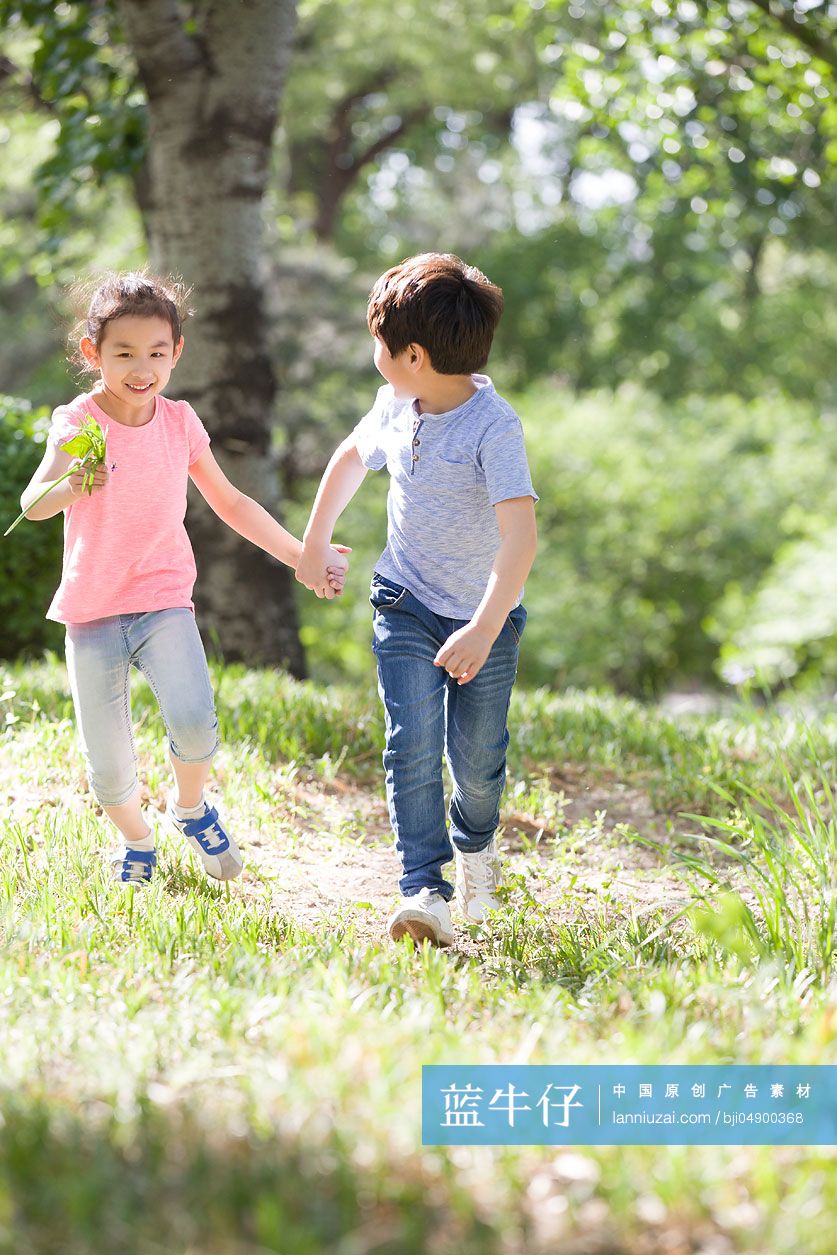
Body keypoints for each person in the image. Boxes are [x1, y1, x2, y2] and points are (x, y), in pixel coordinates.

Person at [17, 271, 349, 885]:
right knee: (110, 771)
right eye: (123, 353)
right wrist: (73, 484)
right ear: (93, 354)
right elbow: (33, 503)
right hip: (92, 610)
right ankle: (137, 841)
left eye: (156, 353)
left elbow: (233, 503)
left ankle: (190, 807)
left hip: (163, 598)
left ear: (176, 353)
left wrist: (304, 554)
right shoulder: (79, 420)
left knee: (195, 722)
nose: (141, 368)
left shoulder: (179, 422)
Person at [296, 253, 537, 947]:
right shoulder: (395, 403)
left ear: (412, 353)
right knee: (411, 743)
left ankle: (476, 846)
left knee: (478, 760)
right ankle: (423, 888)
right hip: (403, 599)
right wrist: (315, 541)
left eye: (378, 341)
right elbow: (349, 457)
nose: (373, 353)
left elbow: (519, 539)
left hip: (483, 618)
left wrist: (486, 627)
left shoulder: (494, 427)